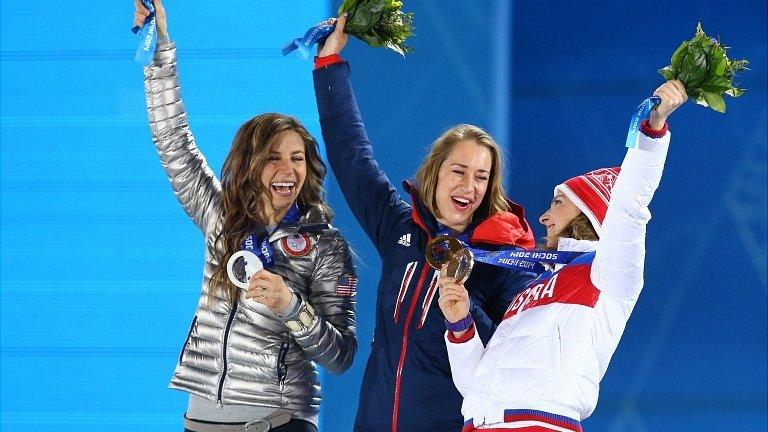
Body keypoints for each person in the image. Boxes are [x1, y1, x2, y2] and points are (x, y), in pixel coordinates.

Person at [134, 2, 357, 431]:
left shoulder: (326, 246)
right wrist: (161, 48)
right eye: (273, 158)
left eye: (297, 158)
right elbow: (173, 141)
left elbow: (341, 356)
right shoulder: (221, 217)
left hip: (277, 423)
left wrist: (292, 307)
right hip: (199, 422)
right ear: (250, 164)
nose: (287, 169)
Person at [312, 15, 538, 431]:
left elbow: (510, 360)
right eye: (459, 171)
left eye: (481, 177)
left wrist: (467, 312)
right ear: (435, 173)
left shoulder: (503, 262)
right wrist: (329, 66)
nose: (469, 185)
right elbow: (352, 157)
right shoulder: (401, 229)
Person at [439, 81, 687, 431]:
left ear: (588, 213)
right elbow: (474, 386)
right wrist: (459, 325)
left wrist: (653, 130)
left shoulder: (608, 273)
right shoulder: (530, 288)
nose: (542, 217)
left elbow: (630, 207)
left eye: (557, 203)